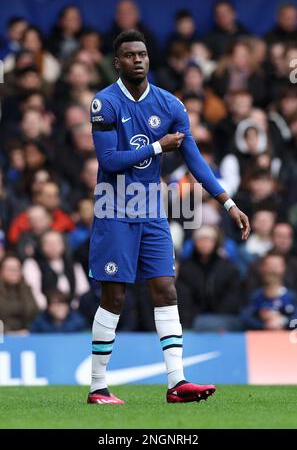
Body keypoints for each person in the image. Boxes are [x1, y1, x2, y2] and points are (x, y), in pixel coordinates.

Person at [87, 30, 250, 405]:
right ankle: (98, 386)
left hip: (152, 210)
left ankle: (177, 383)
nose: (138, 60)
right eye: (129, 55)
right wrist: (160, 146)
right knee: (114, 296)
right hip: (114, 207)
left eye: (142, 54)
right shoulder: (104, 103)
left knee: (166, 289)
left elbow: (195, 159)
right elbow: (109, 162)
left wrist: (229, 204)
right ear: (118, 62)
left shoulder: (170, 104)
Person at [241, 253, 297, 330]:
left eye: (276, 266)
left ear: (283, 268)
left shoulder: (291, 296)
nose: (273, 270)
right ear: (262, 267)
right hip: (260, 336)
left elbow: (295, 318)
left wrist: (283, 321)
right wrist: (263, 324)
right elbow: (245, 317)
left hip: (287, 336)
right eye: (270, 266)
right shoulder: (256, 295)